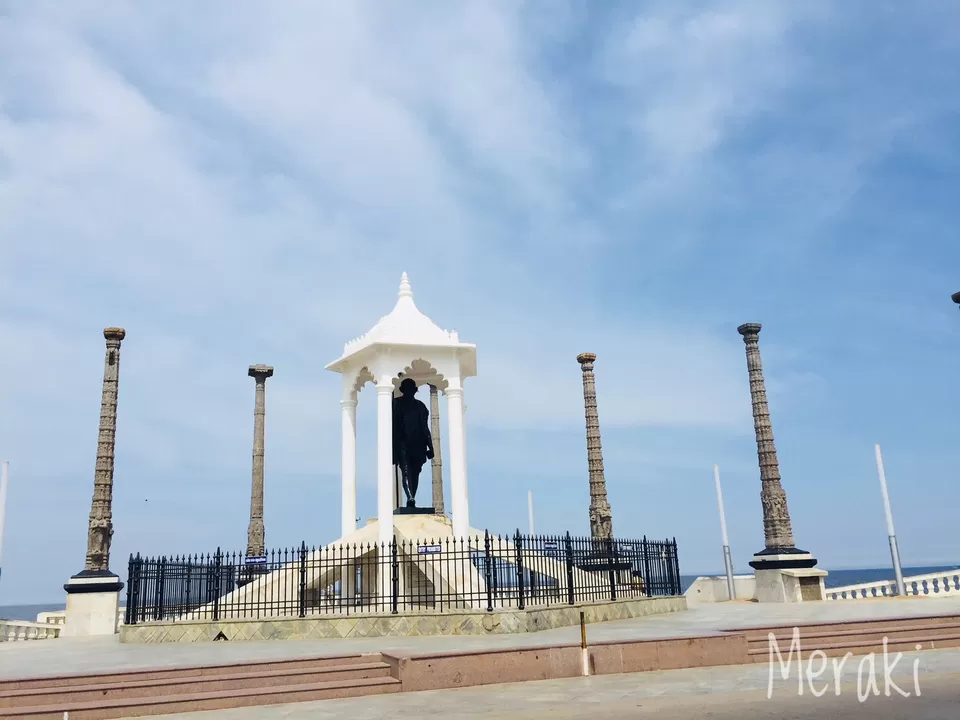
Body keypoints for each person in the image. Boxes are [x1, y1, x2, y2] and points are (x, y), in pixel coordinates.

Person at [392, 378, 434, 506]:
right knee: (406, 471)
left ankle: (412, 499)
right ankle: (410, 497)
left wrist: (431, 447)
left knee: (415, 472)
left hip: (418, 444)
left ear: (415, 390)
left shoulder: (420, 407)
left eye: (411, 389)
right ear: (402, 390)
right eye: (407, 389)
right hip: (402, 444)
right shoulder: (396, 404)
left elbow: (425, 428)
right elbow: (391, 425)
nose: (409, 392)